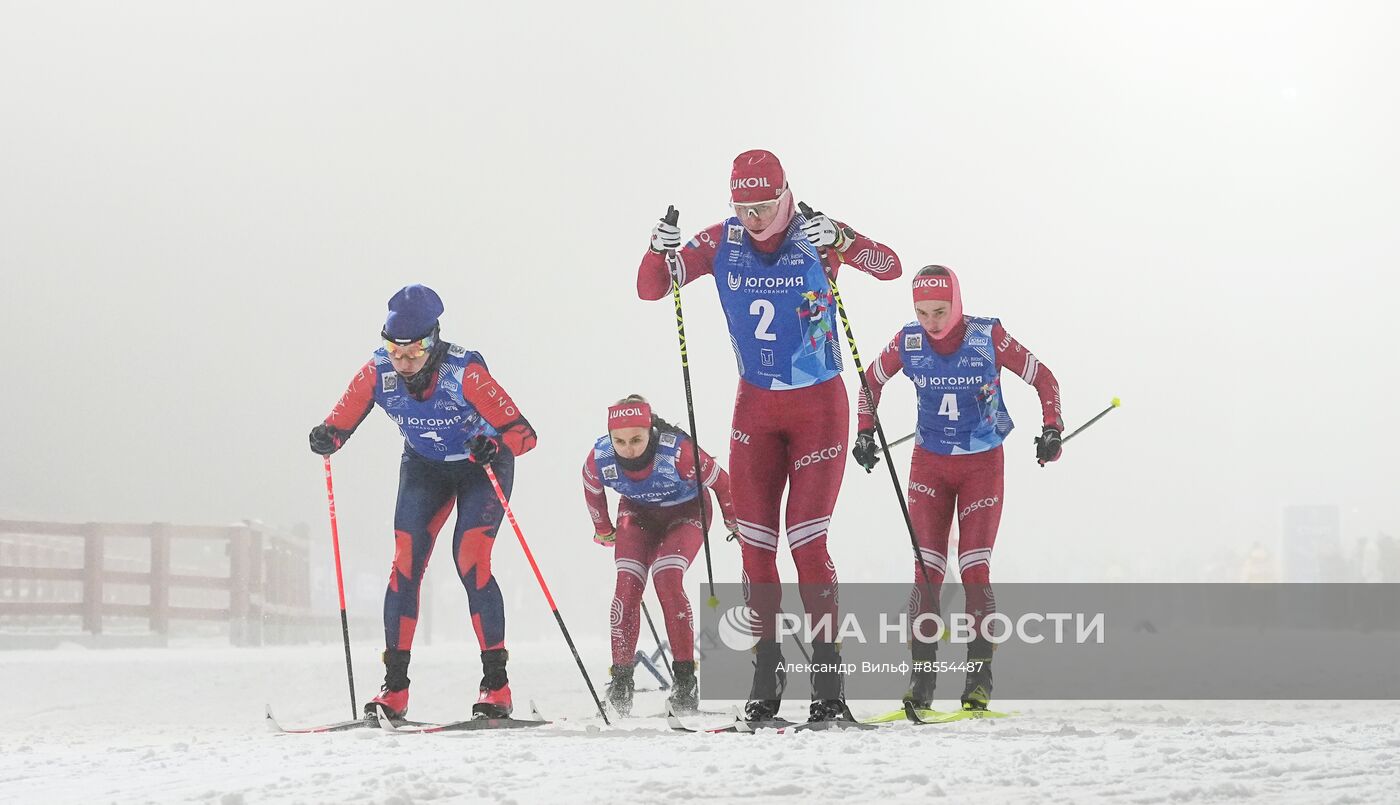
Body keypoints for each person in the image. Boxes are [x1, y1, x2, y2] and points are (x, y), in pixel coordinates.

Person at [638, 149, 903, 722]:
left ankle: (829, 688)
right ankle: (766, 676)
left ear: (786, 195)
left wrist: (846, 238)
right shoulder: (722, 241)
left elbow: (891, 266)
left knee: (807, 542)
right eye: (742, 206)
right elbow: (652, 287)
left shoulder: (814, 234)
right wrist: (656, 249)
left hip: (819, 409)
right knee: (757, 547)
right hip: (754, 410)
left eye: (763, 205)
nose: (753, 217)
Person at [308, 284, 537, 720]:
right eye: (394, 351)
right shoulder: (378, 372)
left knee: (470, 559)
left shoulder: (464, 372)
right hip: (425, 467)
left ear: (433, 342)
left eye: (413, 352)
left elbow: (524, 435)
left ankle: (496, 687)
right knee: (405, 563)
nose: (403, 362)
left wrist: (491, 441)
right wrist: (327, 436)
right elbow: (339, 420)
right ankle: (394, 689)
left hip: (479, 467)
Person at [854, 265, 1062, 712]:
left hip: (981, 465)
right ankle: (921, 686)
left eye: (941, 312)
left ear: (958, 304)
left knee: (973, 569)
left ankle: (978, 681)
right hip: (929, 466)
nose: (932, 323)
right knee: (927, 572)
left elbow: (1044, 377)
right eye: (923, 312)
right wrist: (865, 432)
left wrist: (1052, 429)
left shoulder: (988, 336)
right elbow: (870, 380)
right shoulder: (908, 342)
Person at [582, 395, 738, 716]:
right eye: (620, 441)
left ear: (650, 431)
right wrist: (603, 527)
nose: (628, 448)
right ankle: (621, 685)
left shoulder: (677, 451)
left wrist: (734, 521)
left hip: (686, 513)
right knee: (626, 585)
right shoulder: (601, 456)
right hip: (637, 516)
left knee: (666, 578)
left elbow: (722, 483)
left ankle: (685, 683)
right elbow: (590, 485)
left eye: (637, 439)